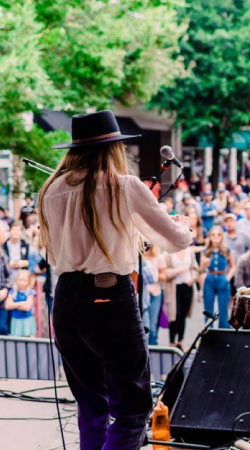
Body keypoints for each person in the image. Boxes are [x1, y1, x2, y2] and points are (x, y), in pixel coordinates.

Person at [39, 110, 192, 450]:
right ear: (113, 148)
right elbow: (175, 241)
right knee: (132, 407)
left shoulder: (52, 189)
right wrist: (181, 225)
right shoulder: (124, 185)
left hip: (66, 299)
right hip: (109, 297)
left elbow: (52, 255)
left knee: (92, 403)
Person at [200, 225, 236, 328]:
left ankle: (224, 332)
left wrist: (227, 278)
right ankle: (208, 333)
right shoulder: (205, 251)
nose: (216, 236)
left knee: (223, 310)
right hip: (210, 279)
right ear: (210, 236)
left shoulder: (227, 250)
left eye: (218, 234)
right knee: (208, 310)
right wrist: (203, 264)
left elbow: (233, 266)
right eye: (213, 234)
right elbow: (201, 270)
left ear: (222, 236)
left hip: (222, 278)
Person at [164, 246, 197, 350]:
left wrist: (193, 277)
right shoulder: (168, 253)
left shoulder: (189, 252)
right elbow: (165, 272)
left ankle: (180, 342)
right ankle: (171, 343)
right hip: (174, 287)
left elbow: (194, 267)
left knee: (183, 315)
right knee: (175, 315)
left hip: (187, 286)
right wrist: (178, 270)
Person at [5, 269, 36, 337]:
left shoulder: (30, 292)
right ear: (17, 280)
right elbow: (7, 306)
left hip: (27, 321)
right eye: (20, 280)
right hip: (16, 321)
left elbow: (27, 307)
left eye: (24, 280)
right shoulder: (13, 292)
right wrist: (21, 303)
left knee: (27, 338)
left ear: (28, 281)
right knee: (17, 340)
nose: (22, 282)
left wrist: (13, 305)